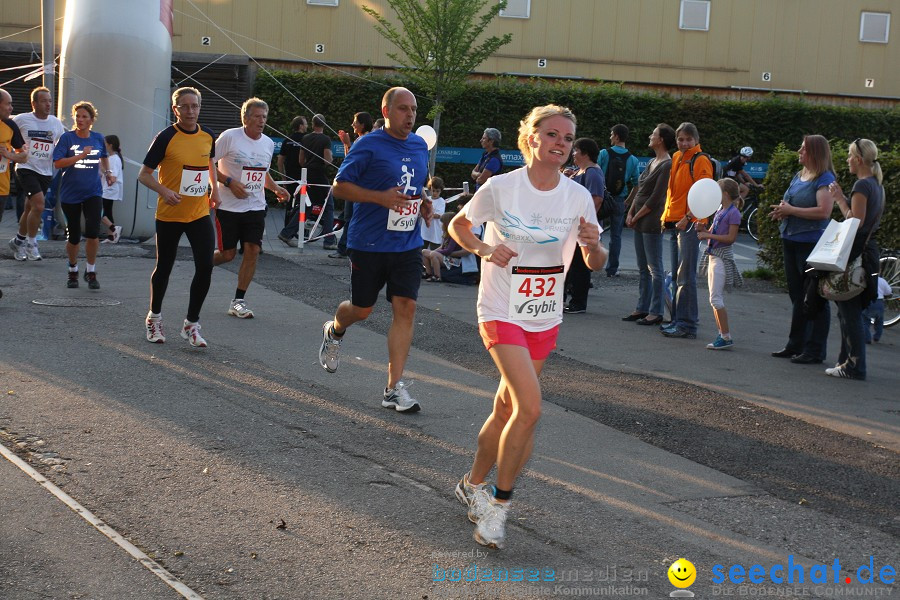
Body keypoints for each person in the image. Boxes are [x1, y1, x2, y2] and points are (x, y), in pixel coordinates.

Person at [449, 104, 605, 550]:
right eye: (552, 135)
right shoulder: (501, 187)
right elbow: (458, 225)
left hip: (544, 315)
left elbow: (594, 260)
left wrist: (595, 249)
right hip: (500, 308)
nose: (561, 144)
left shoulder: (577, 197)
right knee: (530, 408)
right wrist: (482, 248)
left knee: (505, 410)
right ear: (531, 139)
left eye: (568, 138)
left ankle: (472, 483)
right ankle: (498, 506)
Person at [317, 87, 432, 412]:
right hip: (369, 242)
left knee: (405, 306)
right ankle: (335, 329)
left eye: (413, 109)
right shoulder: (369, 144)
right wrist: (380, 197)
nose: (409, 115)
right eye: (402, 109)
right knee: (362, 310)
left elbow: (415, 183)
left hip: (407, 242)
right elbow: (339, 187)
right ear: (386, 111)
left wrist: (422, 201)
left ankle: (393, 388)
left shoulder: (419, 144)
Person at [138, 86, 219, 348]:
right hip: (170, 213)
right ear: (175, 110)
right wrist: (164, 191)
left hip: (198, 212)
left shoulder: (208, 136)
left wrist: (214, 188)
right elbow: (144, 174)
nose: (190, 111)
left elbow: (210, 164)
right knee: (165, 266)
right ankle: (154, 317)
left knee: (205, 266)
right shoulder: (165, 137)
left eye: (194, 106)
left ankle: (191, 324)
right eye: (185, 106)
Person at [213, 97, 289, 319]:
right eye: (257, 116)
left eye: (264, 117)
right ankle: (203, 264)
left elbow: (262, 173)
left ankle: (239, 300)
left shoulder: (267, 143)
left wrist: (275, 189)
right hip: (228, 206)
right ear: (245, 118)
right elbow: (207, 164)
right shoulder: (229, 137)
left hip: (255, 206)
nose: (261, 121)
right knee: (227, 255)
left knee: (252, 250)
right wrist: (229, 182)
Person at [769, 135, 835, 365]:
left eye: (803, 148)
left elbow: (823, 212)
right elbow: (792, 204)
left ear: (814, 153)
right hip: (791, 239)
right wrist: (781, 211)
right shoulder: (800, 175)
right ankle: (795, 344)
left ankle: (815, 350)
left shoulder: (825, 179)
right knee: (797, 296)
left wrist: (792, 210)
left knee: (814, 298)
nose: (799, 151)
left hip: (811, 243)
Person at [823, 139, 884, 380]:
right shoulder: (876, 184)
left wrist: (839, 198)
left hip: (856, 254)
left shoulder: (862, 185)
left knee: (849, 310)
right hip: (869, 251)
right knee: (850, 310)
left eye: (849, 156)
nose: (847, 160)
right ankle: (845, 361)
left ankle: (854, 365)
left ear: (859, 159)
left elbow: (854, 222)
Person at [52, 101, 115, 290]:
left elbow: (103, 156)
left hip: (93, 192)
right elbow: (58, 163)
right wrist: (80, 156)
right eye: (77, 116)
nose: (80, 120)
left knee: (93, 233)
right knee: (74, 237)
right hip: (70, 194)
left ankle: (91, 270)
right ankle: (72, 270)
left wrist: (108, 172)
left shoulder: (98, 138)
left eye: (84, 116)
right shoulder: (67, 139)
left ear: (91, 120)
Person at [660, 122, 714, 339]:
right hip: (676, 222)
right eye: (680, 139)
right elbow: (672, 192)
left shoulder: (700, 160)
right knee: (677, 277)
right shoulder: (676, 157)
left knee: (685, 277)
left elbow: (705, 193)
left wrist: (687, 217)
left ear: (696, 140)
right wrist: (666, 217)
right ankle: (678, 320)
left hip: (689, 224)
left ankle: (687, 324)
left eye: (688, 139)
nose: (684, 143)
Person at [623, 123, 675, 326]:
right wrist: (630, 212)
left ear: (661, 139)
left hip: (651, 221)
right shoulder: (654, 161)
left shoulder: (667, 164)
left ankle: (655, 311)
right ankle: (642, 307)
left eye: (653, 134)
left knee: (655, 267)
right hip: (639, 218)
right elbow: (641, 190)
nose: (650, 136)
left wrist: (635, 216)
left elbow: (655, 198)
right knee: (642, 268)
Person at [9, 86, 66, 261]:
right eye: (44, 101)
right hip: (26, 168)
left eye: (50, 101)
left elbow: (63, 143)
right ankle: (32, 243)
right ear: (34, 103)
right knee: (39, 205)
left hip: (46, 170)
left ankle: (18, 241)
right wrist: (12, 153)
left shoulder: (55, 123)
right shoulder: (21, 119)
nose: (48, 104)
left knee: (30, 208)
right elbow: (6, 130)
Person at [697, 179, 744, 349]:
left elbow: (730, 239)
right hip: (714, 256)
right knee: (714, 299)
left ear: (724, 194)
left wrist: (707, 236)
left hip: (721, 258)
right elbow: (715, 232)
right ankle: (722, 334)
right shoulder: (721, 210)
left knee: (716, 299)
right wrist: (704, 230)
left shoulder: (733, 213)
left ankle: (725, 336)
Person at [278, 114, 334, 248]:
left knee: (306, 206)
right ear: (324, 125)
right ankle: (329, 241)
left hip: (307, 175)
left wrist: (307, 165)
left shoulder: (306, 138)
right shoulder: (326, 139)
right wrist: (330, 160)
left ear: (313, 124)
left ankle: (286, 233)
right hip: (319, 175)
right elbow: (327, 160)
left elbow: (301, 160)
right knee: (328, 206)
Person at [563, 137, 605, 314]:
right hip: (573, 226)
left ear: (585, 153)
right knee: (572, 265)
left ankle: (578, 303)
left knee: (580, 266)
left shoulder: (592, 172)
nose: (573, 154)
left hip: (583, 228)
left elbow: (596, 199)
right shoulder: (581, 171)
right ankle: (569, 299)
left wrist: (586, 224)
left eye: (576, 151)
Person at [331, 111, 375, 258]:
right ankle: (347, 248)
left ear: (362, 124)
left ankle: (345, 249)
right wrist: (346, 144)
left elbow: (353, 162)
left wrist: (347, 144)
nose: (352, 124)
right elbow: (350, 162)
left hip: (357, 187)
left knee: (350, 217)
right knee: (349, 217)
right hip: (355, 185)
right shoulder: (362, 140)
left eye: (355, 121)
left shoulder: (365, 140)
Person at [598, 124, 639, 277]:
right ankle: (612, 269)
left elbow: (597, 173)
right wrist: (628, 201)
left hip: (601, 198)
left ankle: (593, 265)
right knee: (616, 236)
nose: (610, 137)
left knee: (597, 232)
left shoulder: (603, 153)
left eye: (611, 134)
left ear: (615, 136)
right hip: (619, 200)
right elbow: (636, 185)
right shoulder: (633, 160)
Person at [0, 89, 27, 226]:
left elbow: (24, 156)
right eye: (8, 104)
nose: (11, 108)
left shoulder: (10, 125)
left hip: (1, 188)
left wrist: (9, 155)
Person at [277, 115, 307, 226]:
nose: (307, 125)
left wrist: (283, 179)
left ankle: (287, 228)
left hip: (290, 177)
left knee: (290, 203)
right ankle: (299, 229)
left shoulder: (287, 140)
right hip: (304, 177)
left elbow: (280, 161)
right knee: (304, 204)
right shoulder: (307, 139)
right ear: (301, 126)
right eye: (305, 123)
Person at [100, 134, 123, 243]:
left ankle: (114, 229)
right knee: (108, 211)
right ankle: (111, 237)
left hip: (109, 189)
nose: (103, 145)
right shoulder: (112, 158)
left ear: (110, 145)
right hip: (109, 189)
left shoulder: (114, 159)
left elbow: (112, 178)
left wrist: (103, 169)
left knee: (98, 211)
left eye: (105, 143)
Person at [420, 176, 446, 250]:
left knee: (434, 252)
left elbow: (439, 215)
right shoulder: (426, 199)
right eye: (433, 190)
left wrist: (426, 214)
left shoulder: (441, 201)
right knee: (421, 251)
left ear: (441, 190)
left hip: (435, 232)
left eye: (437, 191)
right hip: (424, 231)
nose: (434, 193)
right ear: (429, 189)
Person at [863, 276, 891, 344]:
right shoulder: (882, 281)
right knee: (879, 322)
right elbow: (888, 291)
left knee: (865, 321)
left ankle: (867, 338)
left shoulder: (867, 279)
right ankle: (877, 337)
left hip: (869, 302)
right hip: (880, 303)